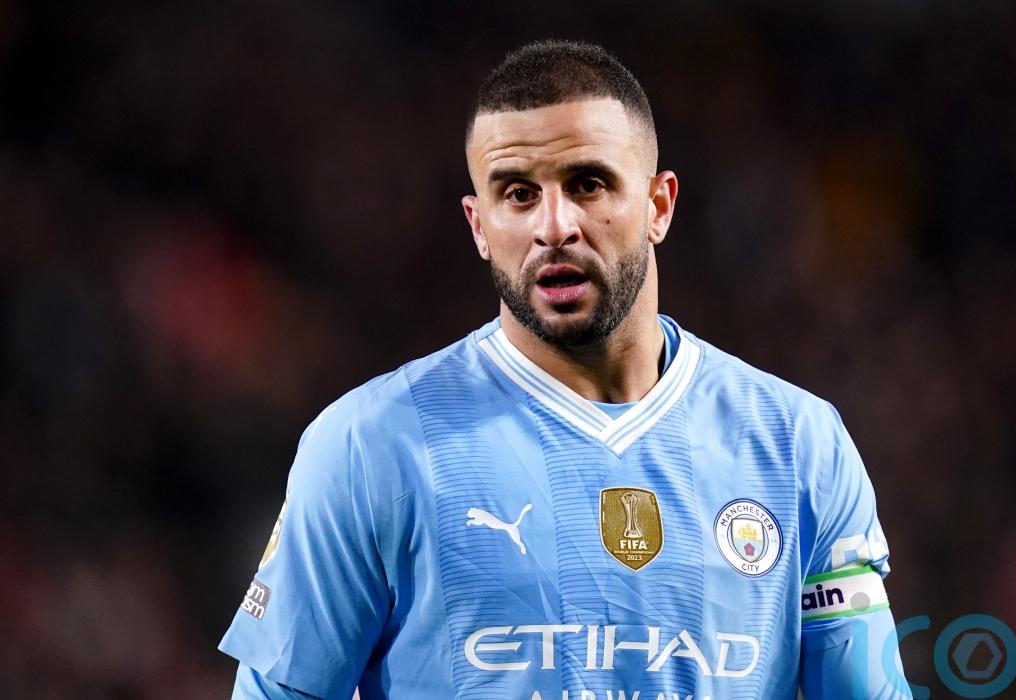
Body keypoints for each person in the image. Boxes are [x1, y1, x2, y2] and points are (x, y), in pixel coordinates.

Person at [219, 39, 912, 700]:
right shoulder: (368, 447)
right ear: (479, 225)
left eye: (588, 184)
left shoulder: (798, 445)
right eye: (518, 194)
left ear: (659, 206)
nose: (554, 227)